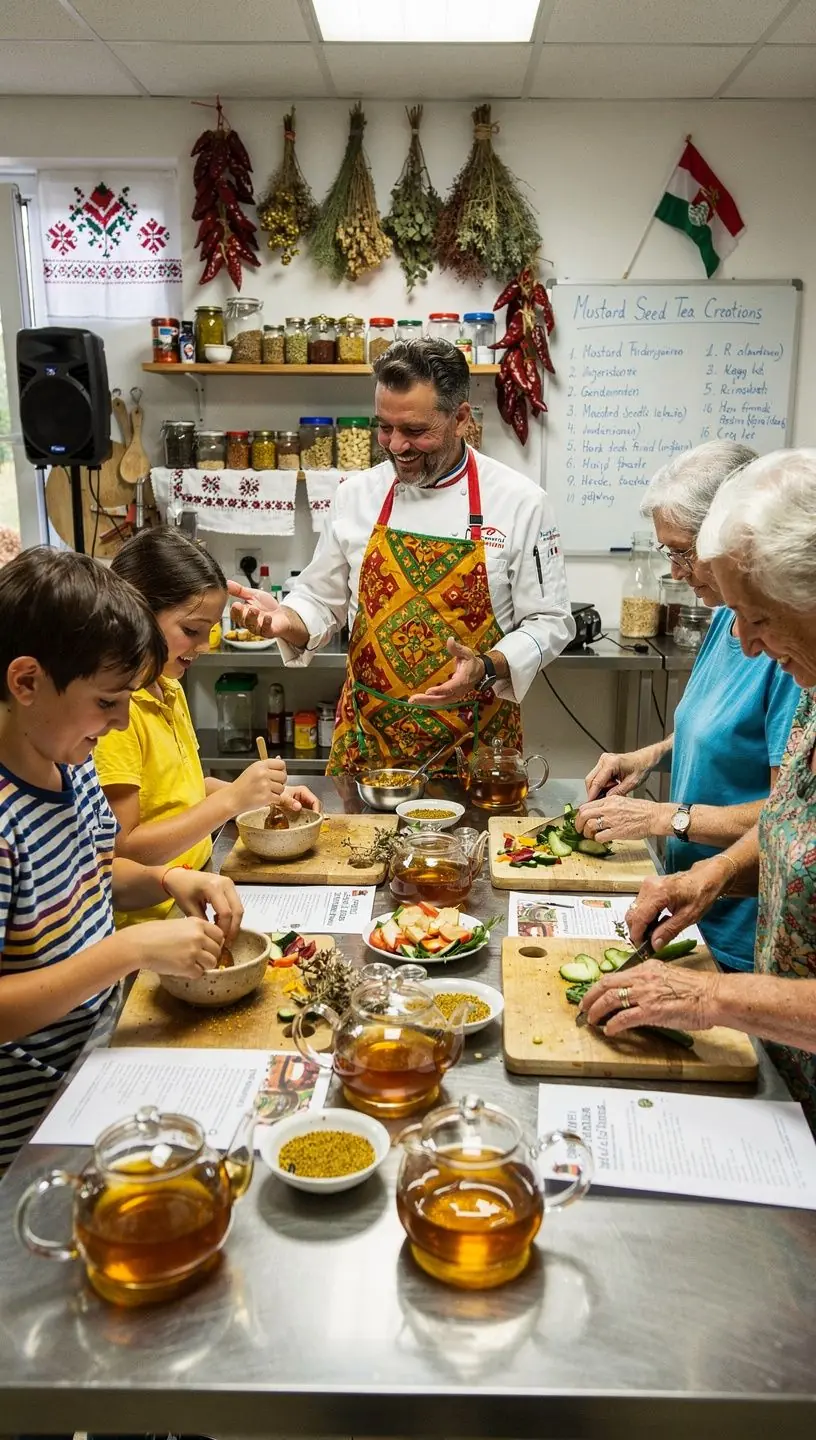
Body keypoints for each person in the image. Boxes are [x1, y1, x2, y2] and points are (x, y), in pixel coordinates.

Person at [580, 449, 816, 1126]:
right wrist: (713, 875)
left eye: (760, 618)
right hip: (787, 1063)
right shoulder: (810, 690)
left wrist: (713, 1000)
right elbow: (790, 822)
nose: (743, 643)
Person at [0, 548, 242, 1173]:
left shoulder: (70, 765)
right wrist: (129, 952)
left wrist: (168, 877)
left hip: (102, 1050)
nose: (120, 723)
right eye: (108, 702)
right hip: (35, 1126)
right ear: (26, 682)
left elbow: (96, 872)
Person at [229, 338, 573, 774]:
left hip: (477, 749)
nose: (395, 445)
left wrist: (487, 665)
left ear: (461, 418)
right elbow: (320, 599)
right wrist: (286, 621)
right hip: (369, 749)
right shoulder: (356, 495)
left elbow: (551, 621)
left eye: (415, 431)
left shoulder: (521, 503)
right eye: (384, 427)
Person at [94, 529, 318, 926]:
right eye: (192, 631)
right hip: (154, 922)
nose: (203, 646)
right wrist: (230, 803)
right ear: (137, 613)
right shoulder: (118, 720)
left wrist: (258, 797)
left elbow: (185, 790)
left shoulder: (168, 689)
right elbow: (125, 848)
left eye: (210, 631)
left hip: (198, 888)